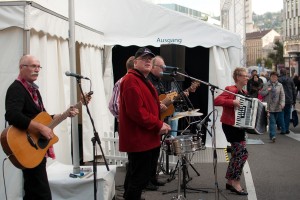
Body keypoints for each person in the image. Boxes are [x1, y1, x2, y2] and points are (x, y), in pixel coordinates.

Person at [5, 55, 80, 200]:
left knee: (34, 192)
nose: (37, 70)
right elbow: (12, 115)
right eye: (33, 66)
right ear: (22, 67)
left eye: (39, 66)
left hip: (36, 147)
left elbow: (39, 117)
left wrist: (63, 114)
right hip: (26, 146)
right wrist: (40, 127)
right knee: (42, 193)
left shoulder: (34, 90)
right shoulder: (16, 89)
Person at [119, 47, 171, 200]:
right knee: (138, 180)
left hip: (145, 138)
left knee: (135, 178)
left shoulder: (141, 79)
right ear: (135, 63)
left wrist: (159, 123)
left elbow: (147, 108)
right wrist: (158, 124)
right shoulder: (131, 80)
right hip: (139, 140)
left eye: (150, 59)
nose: (148, 61)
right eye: (144, 58)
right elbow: (136, 112)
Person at [214, 67, 249, 196]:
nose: (247, 78)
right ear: (238, 77)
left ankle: (230, 181)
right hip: (230, 125)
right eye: (245, 76)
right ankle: (235, 181)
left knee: (236, 154)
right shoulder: (230, 89)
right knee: (242, 154)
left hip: (239, 126)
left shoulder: (244, 92)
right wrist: (232, 101)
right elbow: (216, 100)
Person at [259, 71, 285, 142]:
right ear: (270, 77)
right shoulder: (266, 84)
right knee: (272, 121)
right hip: (269, 106)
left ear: (277, 78)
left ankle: (271, 135)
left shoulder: (280, 85)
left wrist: (282, 103)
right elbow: (261, 93)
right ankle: (273, 135)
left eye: (275, 77)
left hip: (277, 106)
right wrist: (267, 90)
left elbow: (282, 95)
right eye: (272, 77)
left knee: (275, 121)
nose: (274, 78)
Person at [108, 56, 135, 122]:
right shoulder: (122, 82)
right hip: (127, 124)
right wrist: (127, 119)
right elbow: (114, 106)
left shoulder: (138, 82)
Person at [278, 68, 296, 134]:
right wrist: (294, 101)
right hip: (289, 99)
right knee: (287, 115)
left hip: (280, 100)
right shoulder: (290, 80)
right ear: (286, 73)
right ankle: (286, 128)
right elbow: (294, 91)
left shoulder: (278, 80)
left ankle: (283, 129)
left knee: (281, 114)